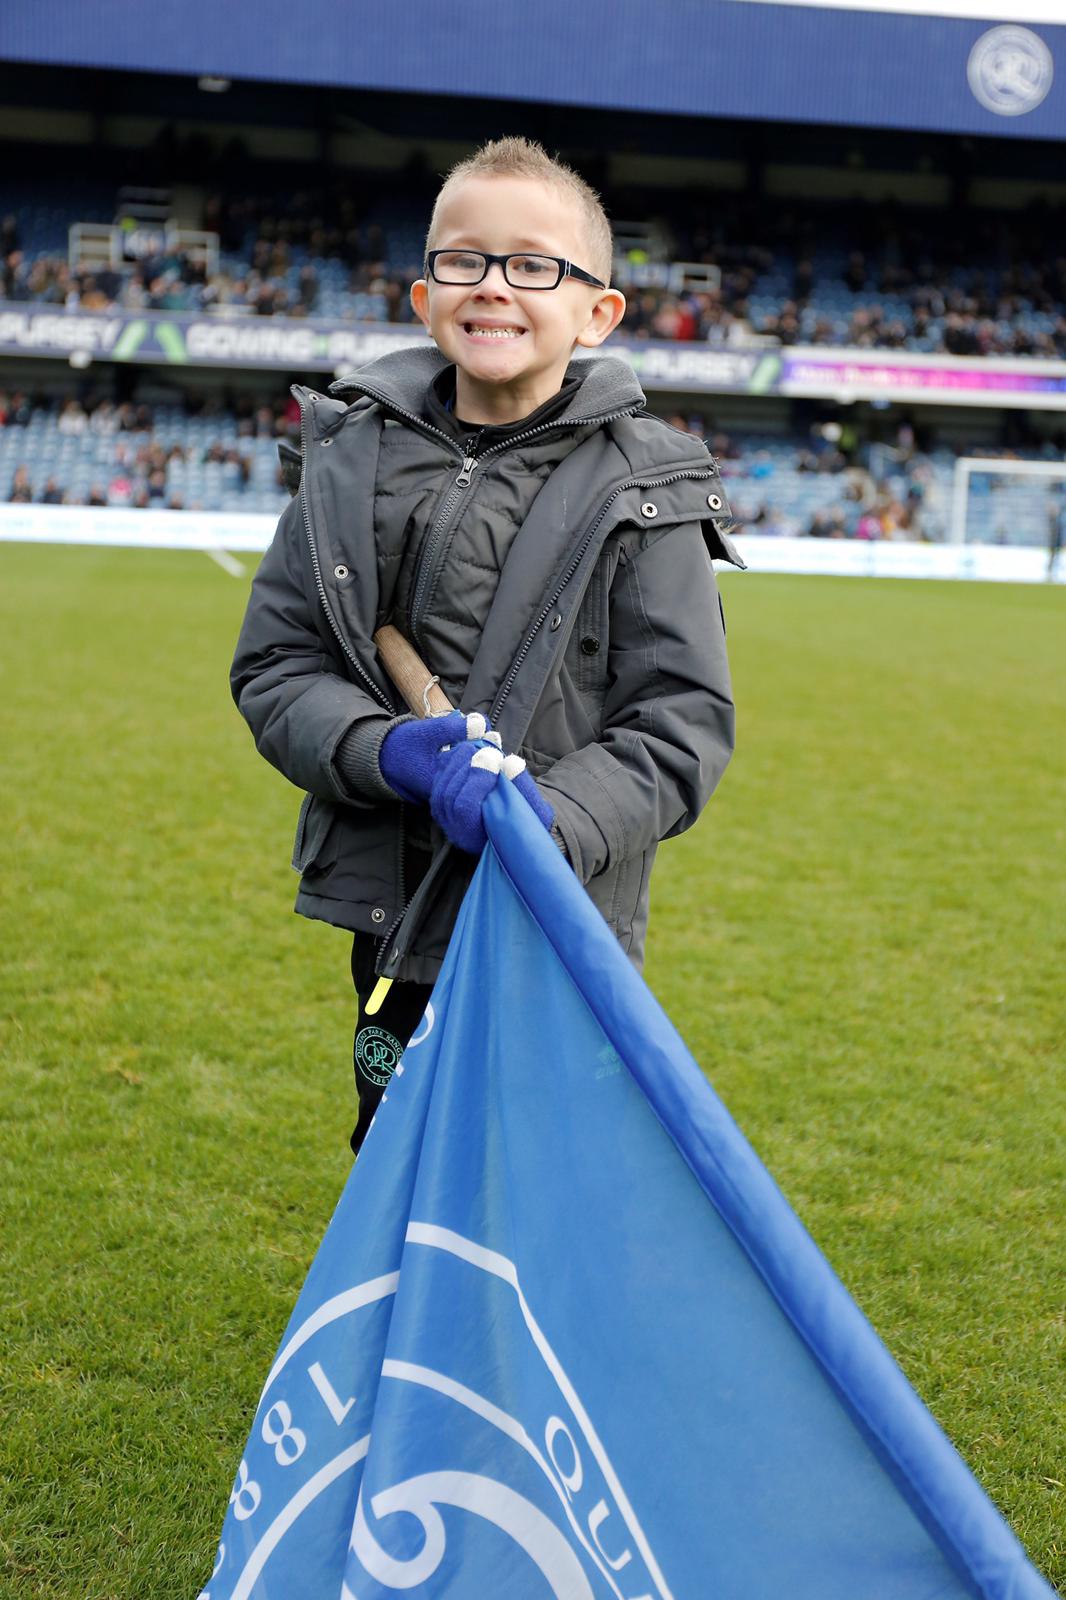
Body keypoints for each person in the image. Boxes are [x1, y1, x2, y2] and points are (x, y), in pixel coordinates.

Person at [231, 137, 741, 1154]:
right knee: (397, 1156)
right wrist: (388, 752)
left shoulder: (650, 492)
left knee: (539, 1174)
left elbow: (679, 726)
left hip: (553, 915)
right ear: (424, 297)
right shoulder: (346, 462)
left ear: (597, 312)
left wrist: (546, 819)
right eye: (465, 259)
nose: (495, 285)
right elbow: (276, 666)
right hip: (395, 912)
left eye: (535, 264)